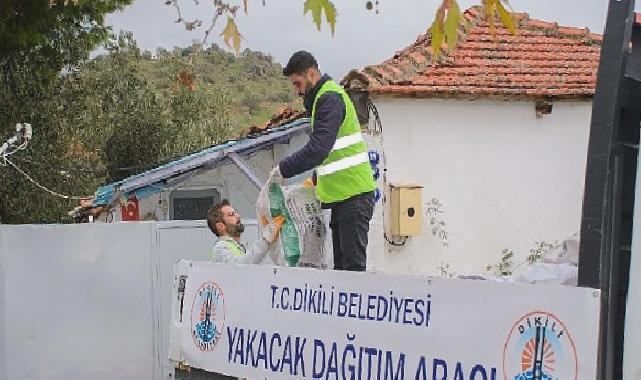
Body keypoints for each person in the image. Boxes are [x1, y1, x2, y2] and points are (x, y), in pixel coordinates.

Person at [268, 51, 376, 272]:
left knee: (352, 273)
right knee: (343, 273)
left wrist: (284, 169)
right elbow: (332, 153)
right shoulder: (323, 100)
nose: (297, 91)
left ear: (311, 74)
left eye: (297, 83)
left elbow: (318, 149)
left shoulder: (329, 99)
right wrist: (315, 179)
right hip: (343, 197)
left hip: (353, 196)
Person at [206, 199, 284, 264]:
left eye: (236, 213)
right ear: (220, 226)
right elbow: (243, 266)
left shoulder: (240, 248)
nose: (238, 216)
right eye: (231, 215)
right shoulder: (220, 249)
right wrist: (267, 238)